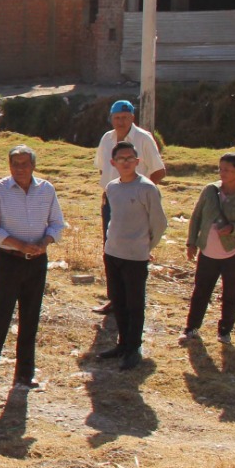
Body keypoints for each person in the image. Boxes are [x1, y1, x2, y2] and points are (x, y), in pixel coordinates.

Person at [0, 146, 65, 393]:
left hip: (37, 261)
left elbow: (57, 223)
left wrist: (44, 243)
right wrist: (20, 244)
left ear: (33, 165)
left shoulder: (46, 190)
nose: (20, 169)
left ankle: (24, 375)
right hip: (8, 260)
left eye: (24, 164)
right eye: (15, 164)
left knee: (30, 317)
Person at [98, 141, 168, 370]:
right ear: (113, 163)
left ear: (137, 162)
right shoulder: (112, 187)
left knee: (134, 303)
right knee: (118, 300)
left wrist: (146, 247)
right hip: (113, 252)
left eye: (130, 158)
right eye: (121, 159)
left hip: (136, 256)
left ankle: (133, 348)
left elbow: (159, 223)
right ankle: (122, 343)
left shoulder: (146, 188)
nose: (126, 162)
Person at [94, 99, 167, 316]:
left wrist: (141, 193)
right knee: (110, 248)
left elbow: (158, 170)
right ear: (111, 118)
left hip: (136, 203)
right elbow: (102, 169)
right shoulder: (107, 139)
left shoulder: (143, 139)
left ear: (132, 118)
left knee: (135, 252)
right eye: (117, 118)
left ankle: (132, 300)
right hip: (111, 201)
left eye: (125, 117)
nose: (121, 122)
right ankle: (114, 298)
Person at [183, 152, 235, 346]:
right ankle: (191, 328)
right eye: (220, 168)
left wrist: (234, 228)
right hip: (207, 252)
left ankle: (225, 331)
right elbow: (197, 217)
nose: (222, 173)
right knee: (201, 291)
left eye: (227, 170)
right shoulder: (210, 190)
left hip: (233, 254)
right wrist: (191, 242)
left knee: (231, 294)